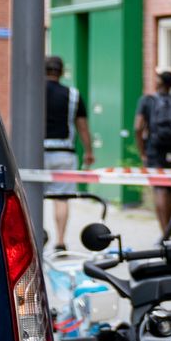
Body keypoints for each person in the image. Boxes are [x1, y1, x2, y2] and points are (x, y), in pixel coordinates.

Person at [43, 55, 94, 251]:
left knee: (30, 197)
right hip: (64, 153)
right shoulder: (72, 94)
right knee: (62, 198)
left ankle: (37, 236)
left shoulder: (33, 92)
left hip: (36, 153)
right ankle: (61, 241)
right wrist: (88, 151)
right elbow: (82, 127)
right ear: (61, 72)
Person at [134, 69, 171, 232]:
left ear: (159, 82)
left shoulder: (147, 101)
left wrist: (142, 152)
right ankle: (169, 230)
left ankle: (164, 231)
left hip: (155, 148)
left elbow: (138, 128)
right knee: (170, 188)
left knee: (159, 188)